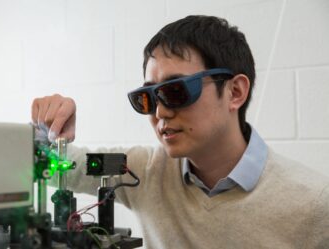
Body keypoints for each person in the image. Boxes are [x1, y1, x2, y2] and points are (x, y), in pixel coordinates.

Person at [31, 15, 329, 249]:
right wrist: (46, 129)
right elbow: (50, 166)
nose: (160, 112)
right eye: (147, 98)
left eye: (176, 91)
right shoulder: (144, 171)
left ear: (235, 92)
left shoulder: (315, 205)